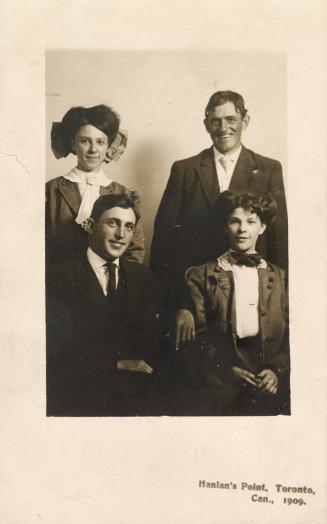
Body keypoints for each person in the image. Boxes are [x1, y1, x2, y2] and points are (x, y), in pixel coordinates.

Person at [150, 90, 288, 301]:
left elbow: (279, 238)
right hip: (198, 291)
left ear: (245, 121)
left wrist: (281, 296)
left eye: (231, 119)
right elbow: (164, 240)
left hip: (255, 290)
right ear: (207, 125)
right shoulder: (184, 170)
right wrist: (176, 303)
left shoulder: (269, 168)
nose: (223, 128)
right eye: (216, 121)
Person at [173, 191, 290, 416]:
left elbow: (296, 335)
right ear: (224, 226)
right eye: (235, 221)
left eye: (251, 221)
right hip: (219, 379)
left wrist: (275, 370)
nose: (243, 229)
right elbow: (195, 338)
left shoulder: (281, 278)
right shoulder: (200, 275)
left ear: (262, 227)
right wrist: (226, 369)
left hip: (269, 378)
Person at [46, 194, 162, 416]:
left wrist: (184, 310)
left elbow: (155, 338)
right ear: (90, 226)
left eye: (128, 227)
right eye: (112, 223)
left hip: (134, 399)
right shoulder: (57, 276)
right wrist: (115, 364)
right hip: (79, 397)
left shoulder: (143, 277)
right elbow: (58, 348)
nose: (121, 235)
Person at [46, 104, 145, 266]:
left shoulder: (125, 194)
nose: (93, 149)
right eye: (85, 141)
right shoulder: (50, 191)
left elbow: (134, 252)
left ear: (108, 147)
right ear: (73, 144)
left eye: (100, 142)